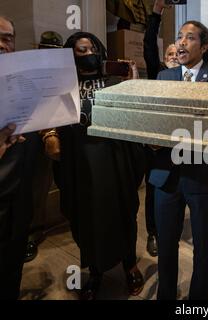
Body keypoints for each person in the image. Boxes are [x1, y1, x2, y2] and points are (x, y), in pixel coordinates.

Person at [56, 32, 146, 300]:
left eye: (92, 48)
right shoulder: (64, 86)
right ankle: (95, 271)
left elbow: (135, 116)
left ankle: (129, 264)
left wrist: (133, 85)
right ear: (70, 56)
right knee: (87, 218)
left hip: (115, 158)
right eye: (80, 51)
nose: (88, 53)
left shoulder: (115, 80)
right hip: (80, 162)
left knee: (123, 211)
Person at [151, 20, 208, 300]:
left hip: (201, 175)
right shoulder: (164, 77)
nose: (182, 42)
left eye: (190, 38)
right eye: (179, 37)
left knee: (202, 244)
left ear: (205, 46)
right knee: (167, 243)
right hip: (166, 174)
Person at [0, 16, 40, 300]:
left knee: (12, 266)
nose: (3, 44)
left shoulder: (21, 81)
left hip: (18, 193)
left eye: (8, 37)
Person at [142, 0, 179, 258]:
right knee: (154, 187)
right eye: (170, 55)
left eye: (178, 54)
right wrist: (156, 13)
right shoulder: (158, 73)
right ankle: (153, 233)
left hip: (182, 144)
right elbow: (148, 46)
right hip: (157, 145)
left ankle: (171, 231)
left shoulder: (189, 80)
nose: (174, 57)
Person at [24, 30, 64, 263]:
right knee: (36, 186)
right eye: (46, 50)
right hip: (36, 137)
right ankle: (32, 231)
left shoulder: (66, 73)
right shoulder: (29, 73)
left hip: (65, 136)